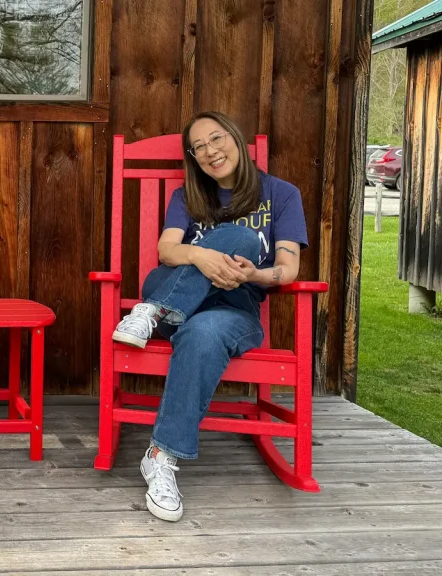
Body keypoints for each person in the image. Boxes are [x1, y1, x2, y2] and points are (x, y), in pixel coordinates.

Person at [112, 111, 308, 522]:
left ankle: (160, 457)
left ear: (235, 139)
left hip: (233, 309)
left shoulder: (282, 194)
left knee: (207, 318)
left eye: (216, 139)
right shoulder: (186, 197)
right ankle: (156, 308)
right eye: (198, 147)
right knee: (225, 243)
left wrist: (251, 274)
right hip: (170, 292)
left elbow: (288, 270)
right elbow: (167, 252)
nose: (209, 151)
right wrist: (201, 255)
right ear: (193, 157)